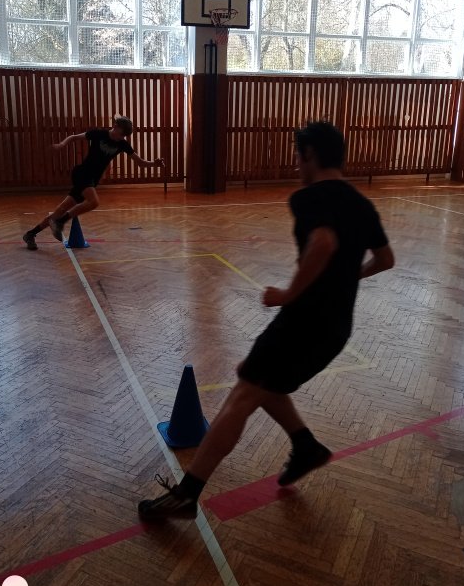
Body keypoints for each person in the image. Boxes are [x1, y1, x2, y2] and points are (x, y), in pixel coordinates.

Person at [138, 121, 395, 521]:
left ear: (310, 154)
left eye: (298, 156)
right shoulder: (363, 205)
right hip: (336, 329)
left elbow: (323, 242)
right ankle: (305, 446)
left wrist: (289, 294)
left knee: (243, 395)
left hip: (304, 321)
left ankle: (187, 495)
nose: (296, 164)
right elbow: (385, 259)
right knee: (254, 376)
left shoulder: (309, 197)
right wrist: (347, 278)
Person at [23, 116, 164, 249]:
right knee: (94, 202)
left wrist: (154, 164)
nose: (122, 138)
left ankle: (30, 234)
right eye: (121, 134)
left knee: (61, 209)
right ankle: (60, 222)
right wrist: (62, 144)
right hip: (82, 174)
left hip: (91, 180)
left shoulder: (122, 144)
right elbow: (73, 137)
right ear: (115, 126)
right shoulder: (98, 134)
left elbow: (140, 163)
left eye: (124, 136)